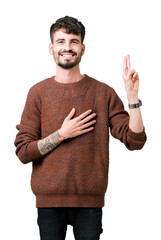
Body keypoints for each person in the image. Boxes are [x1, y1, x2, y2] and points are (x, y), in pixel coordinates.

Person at [14, 16, 147, 240]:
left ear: (83, 48)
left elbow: (135, 141)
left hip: (89, 202)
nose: (67, 47)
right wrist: (61, 134)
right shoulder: (38, 93)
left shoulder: (102, 92)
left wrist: (132, 97)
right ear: (51, 48)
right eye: (61, 41)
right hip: (48, 202)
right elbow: (23, 151)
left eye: (74, 41)